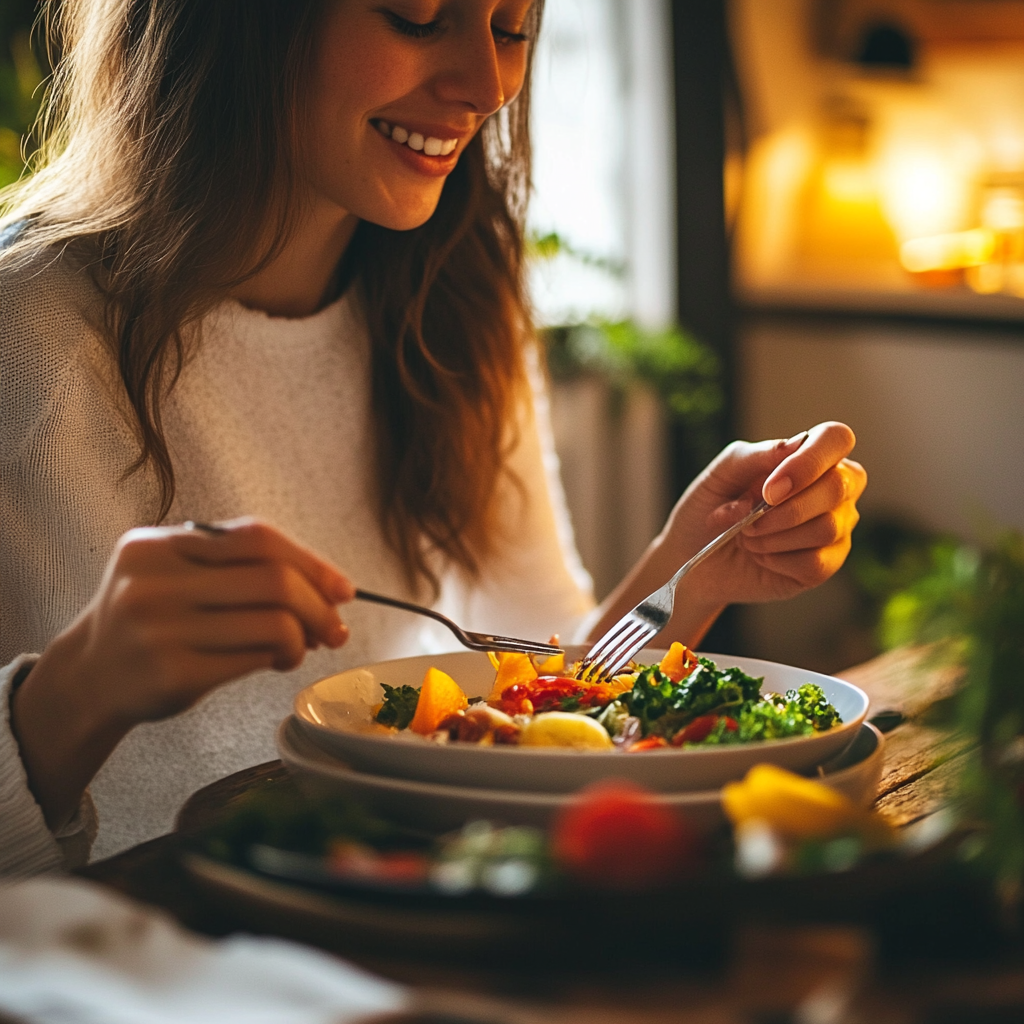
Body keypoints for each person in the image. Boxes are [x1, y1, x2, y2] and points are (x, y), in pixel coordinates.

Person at [0, 0, 866, 875]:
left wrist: (689, 571)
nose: (486, 85)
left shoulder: (459, 308)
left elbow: (546, 692)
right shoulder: (22, 331)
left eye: (512, 27)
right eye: (418, 18)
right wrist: (80, 690)